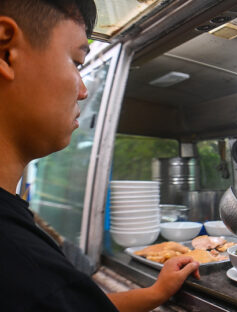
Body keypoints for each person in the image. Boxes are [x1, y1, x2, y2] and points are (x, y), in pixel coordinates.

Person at [0, 1, 200, 311]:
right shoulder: (20, 264)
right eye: (77, 62)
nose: (83, 90)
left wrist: (155, 292)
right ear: (5, 50)